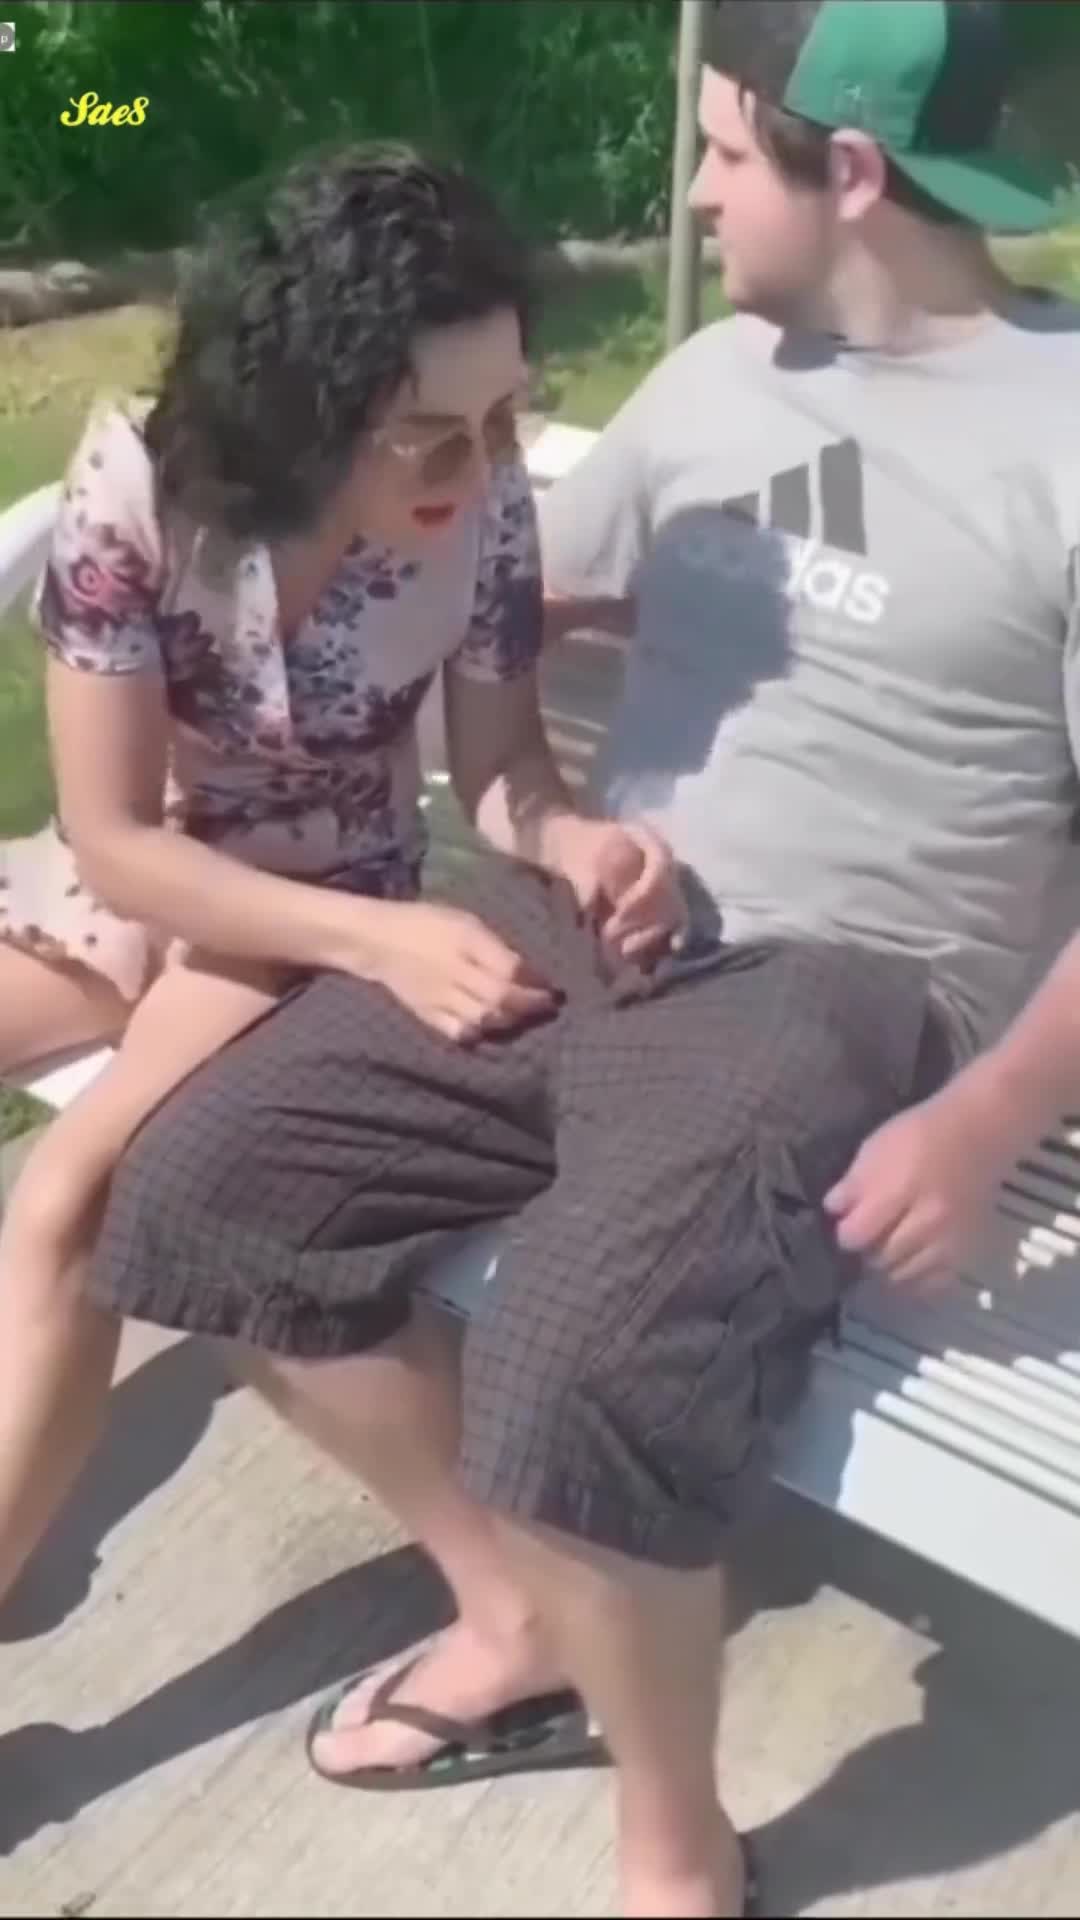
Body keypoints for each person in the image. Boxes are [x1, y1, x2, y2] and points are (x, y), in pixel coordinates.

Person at [73, 2, 1080, 1913]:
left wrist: (983, 1124)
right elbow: (491, 569)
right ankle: (520, 1616)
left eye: (723, 151)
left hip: (840, 980)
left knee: (579, 1361)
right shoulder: (714, 377)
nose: (694, 190)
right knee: (202, 1194)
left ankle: (677, 1858)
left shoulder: (1068, 432)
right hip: (597, 912)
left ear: (852, 172)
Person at [0, 144, 682, 1614]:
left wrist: (571, 839)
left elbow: (503, 769)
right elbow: (111, 838)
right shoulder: (138, 482)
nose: (481, 467)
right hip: (134, 883)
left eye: (502, 417)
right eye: (429, 433)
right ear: (307, 401)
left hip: (315, 912)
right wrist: (384, 941)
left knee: (64, 1203)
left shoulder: (486, 503)